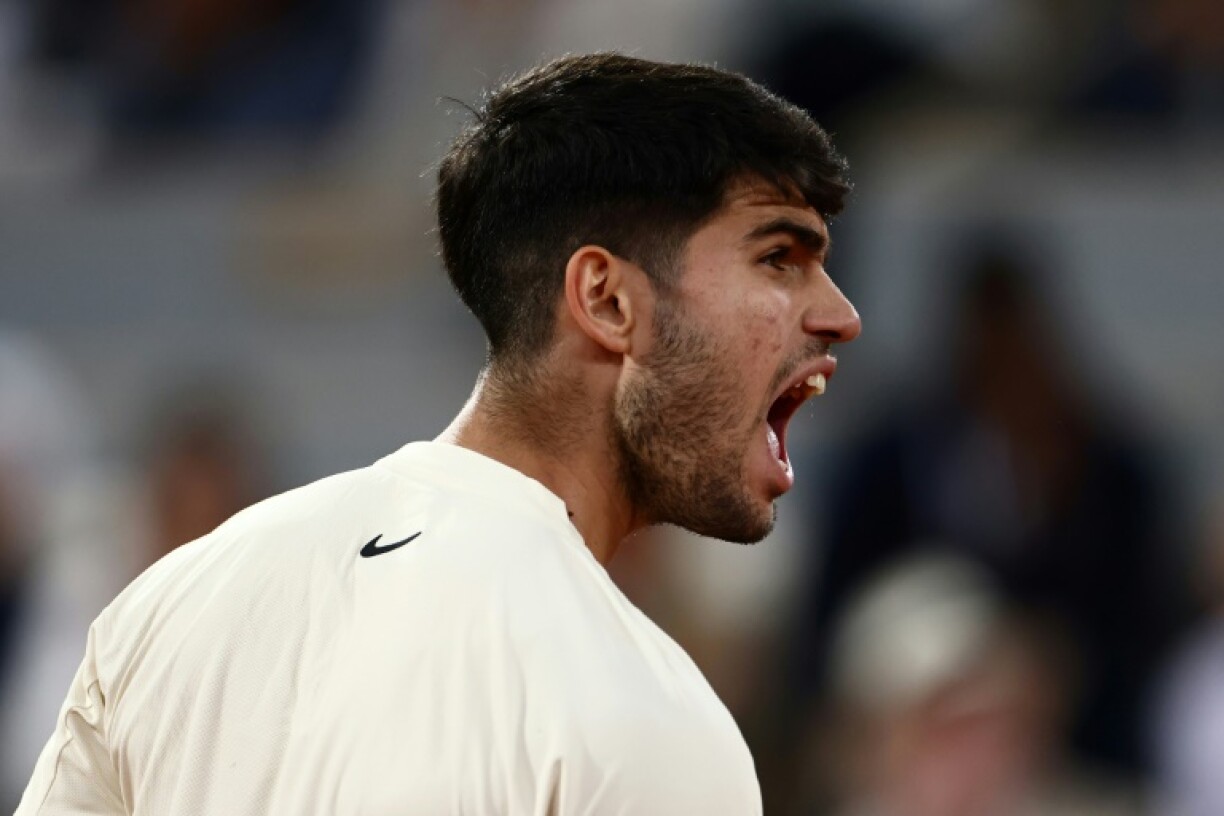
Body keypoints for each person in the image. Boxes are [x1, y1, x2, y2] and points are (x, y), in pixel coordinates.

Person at [16, 52, 860, 815]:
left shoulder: (173, 603)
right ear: (607, 300)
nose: (841, 316)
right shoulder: (647, 717)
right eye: (779, 257)